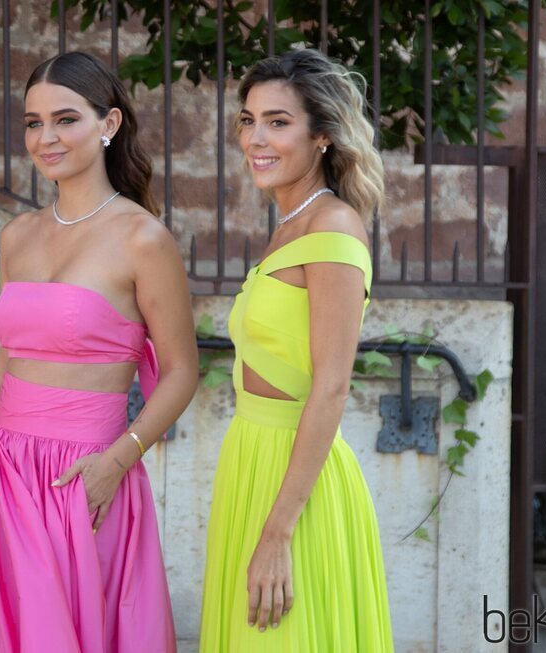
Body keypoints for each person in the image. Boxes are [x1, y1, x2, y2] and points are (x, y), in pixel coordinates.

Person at [0, 50, 198, 653]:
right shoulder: (16, 236)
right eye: (34, 122)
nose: (47, 138)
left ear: (109, 125)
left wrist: (116, 463)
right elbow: (7, 355)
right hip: (5, 468)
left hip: (86, 474)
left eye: (66, 119)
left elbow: (180, 373)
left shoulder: (143, 239)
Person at [199, 48, 393, 652]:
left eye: (279, 122)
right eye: (249, 120)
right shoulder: (290, 226)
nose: (257, 138)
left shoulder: (332, 229)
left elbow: (333, 386)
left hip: (294, 483)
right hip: (251, 459)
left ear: (323, 138)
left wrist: (278, 531)